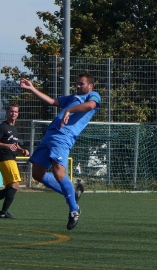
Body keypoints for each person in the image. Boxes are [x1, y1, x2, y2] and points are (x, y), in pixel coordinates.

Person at [20, 73, 101, 230]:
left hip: (64, 137)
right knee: (37, 173)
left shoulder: (93, 96)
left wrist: (69, 111)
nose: (77, 86)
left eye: (81, 84)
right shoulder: (72, 97)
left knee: (58, 173)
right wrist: (32, 89)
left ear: (90, 86)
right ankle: (72, 194)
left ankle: (74, 210)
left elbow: (90, 106)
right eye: (77, 83)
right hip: (50, 135)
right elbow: (51, 101)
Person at [0, 104, 30, 219]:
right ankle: (3, 212)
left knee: (10, 188)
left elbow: (14, 145)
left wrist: (21, 150)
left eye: (16, 112)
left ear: (18, 114)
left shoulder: (14, 129)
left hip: (10, 158)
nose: (14, 114)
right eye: (11, 111)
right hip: (6, 159)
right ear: (7, 113)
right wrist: (6, 145)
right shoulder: (3, 127)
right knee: (15, 184)